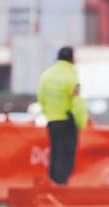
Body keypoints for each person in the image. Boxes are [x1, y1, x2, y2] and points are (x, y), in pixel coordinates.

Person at [36, 46, 87, 185]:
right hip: (67, 120)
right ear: (72, 58)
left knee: (55, 152)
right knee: (67, 154)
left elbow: (41, 98)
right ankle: (62, 183)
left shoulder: (46, 76)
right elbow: (77, 101)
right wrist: (81, 122)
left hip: (52, 121)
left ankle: (53, 181)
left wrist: (48, 114)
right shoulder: (72, 76)